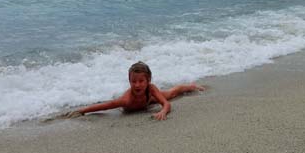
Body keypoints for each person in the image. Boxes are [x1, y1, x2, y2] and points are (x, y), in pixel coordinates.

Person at [66, 61, 204, 121]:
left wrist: (163, 111)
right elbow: (107, 105)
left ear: (148, 80)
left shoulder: (150, 88)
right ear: (129, 81)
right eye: (133, 81)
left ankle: (192, 86)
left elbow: (166, 104)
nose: (137, 85)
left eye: (141, 81)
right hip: (139, 103)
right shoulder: (126, 100)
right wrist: (83, 111)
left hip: (149, 99)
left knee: (173, 93)